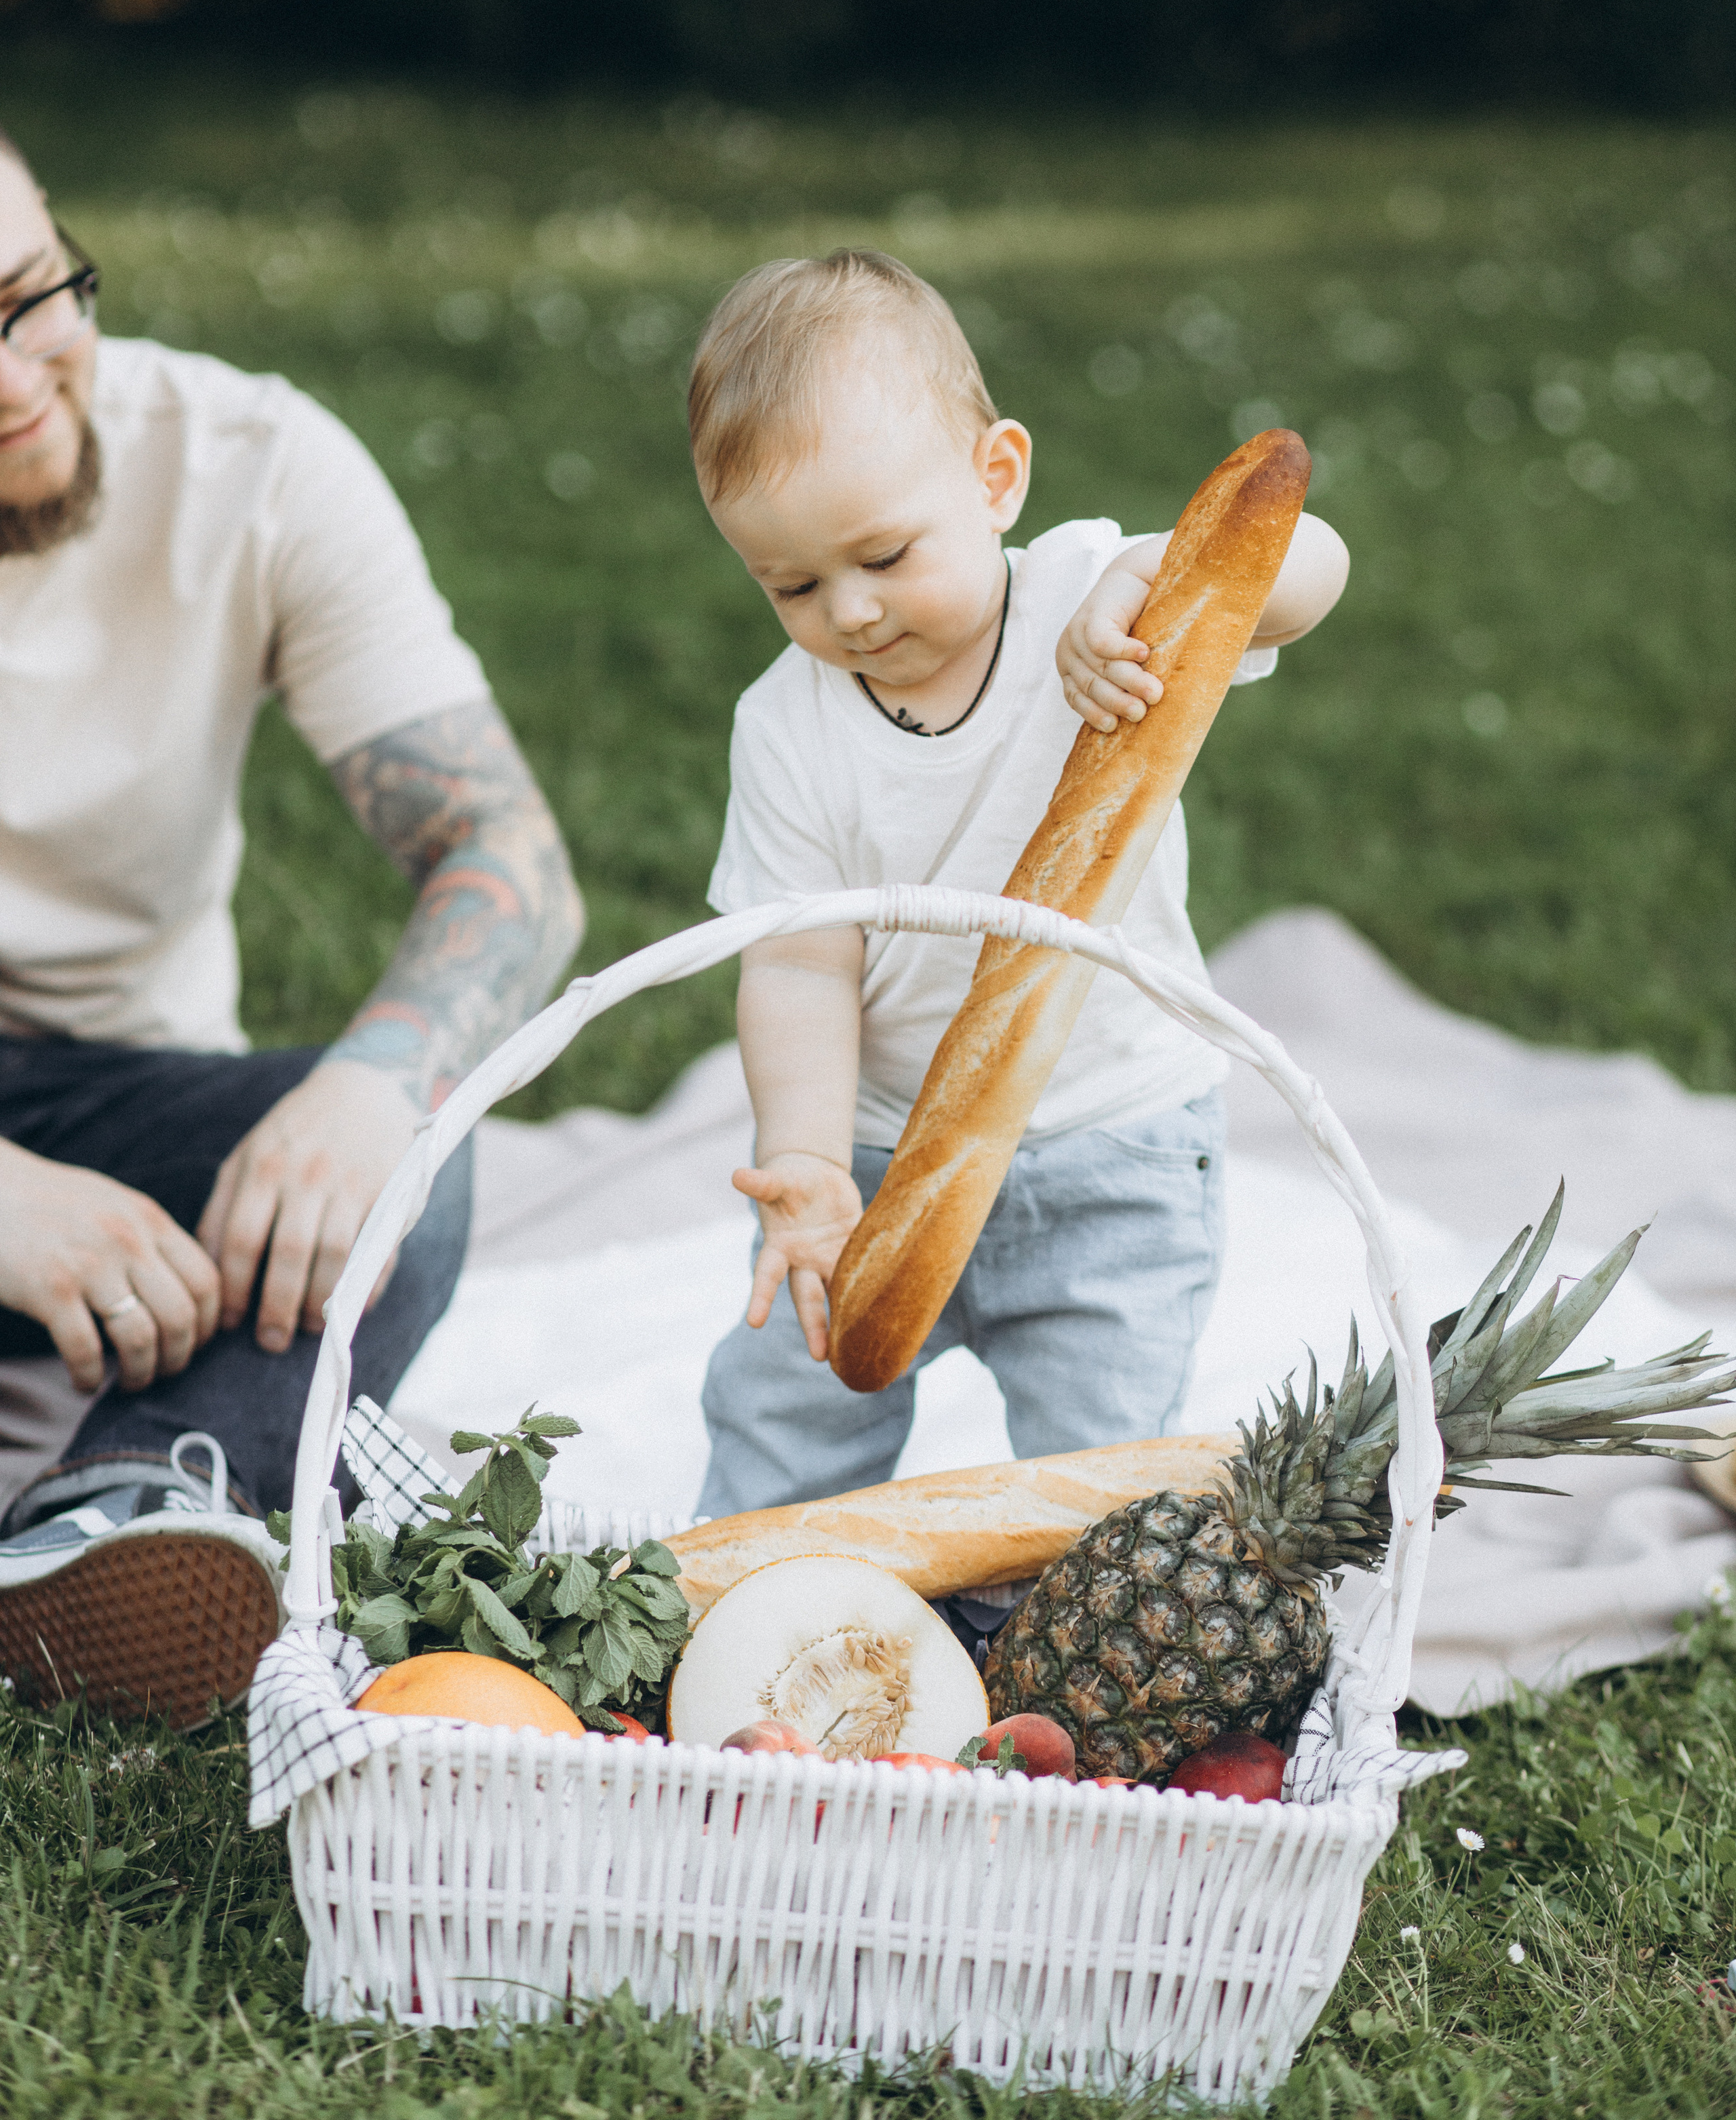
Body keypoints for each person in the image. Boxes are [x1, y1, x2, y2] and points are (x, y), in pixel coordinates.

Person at [0, 134, 582, 1721]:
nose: (19, 381)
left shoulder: (251, 465)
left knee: (401, 1170)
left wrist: (372, 1085)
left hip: (121, 1105)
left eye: (33, 297)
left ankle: (107, 1525)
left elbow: (505, 852)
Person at [688, 248, 1347, 1520]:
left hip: (1114, 1149)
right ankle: (743, 1599)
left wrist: (1149, 577)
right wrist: (807, 1162)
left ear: (997, 480)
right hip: (878, 1158)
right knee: (782, 1420)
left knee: (1098, 1481)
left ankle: (1048, 1638)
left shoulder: (1091, 601)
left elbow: (1306, 563)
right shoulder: (784, 725)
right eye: (794, 585)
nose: (852, 612)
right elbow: (799, 963)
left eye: (885, 554)